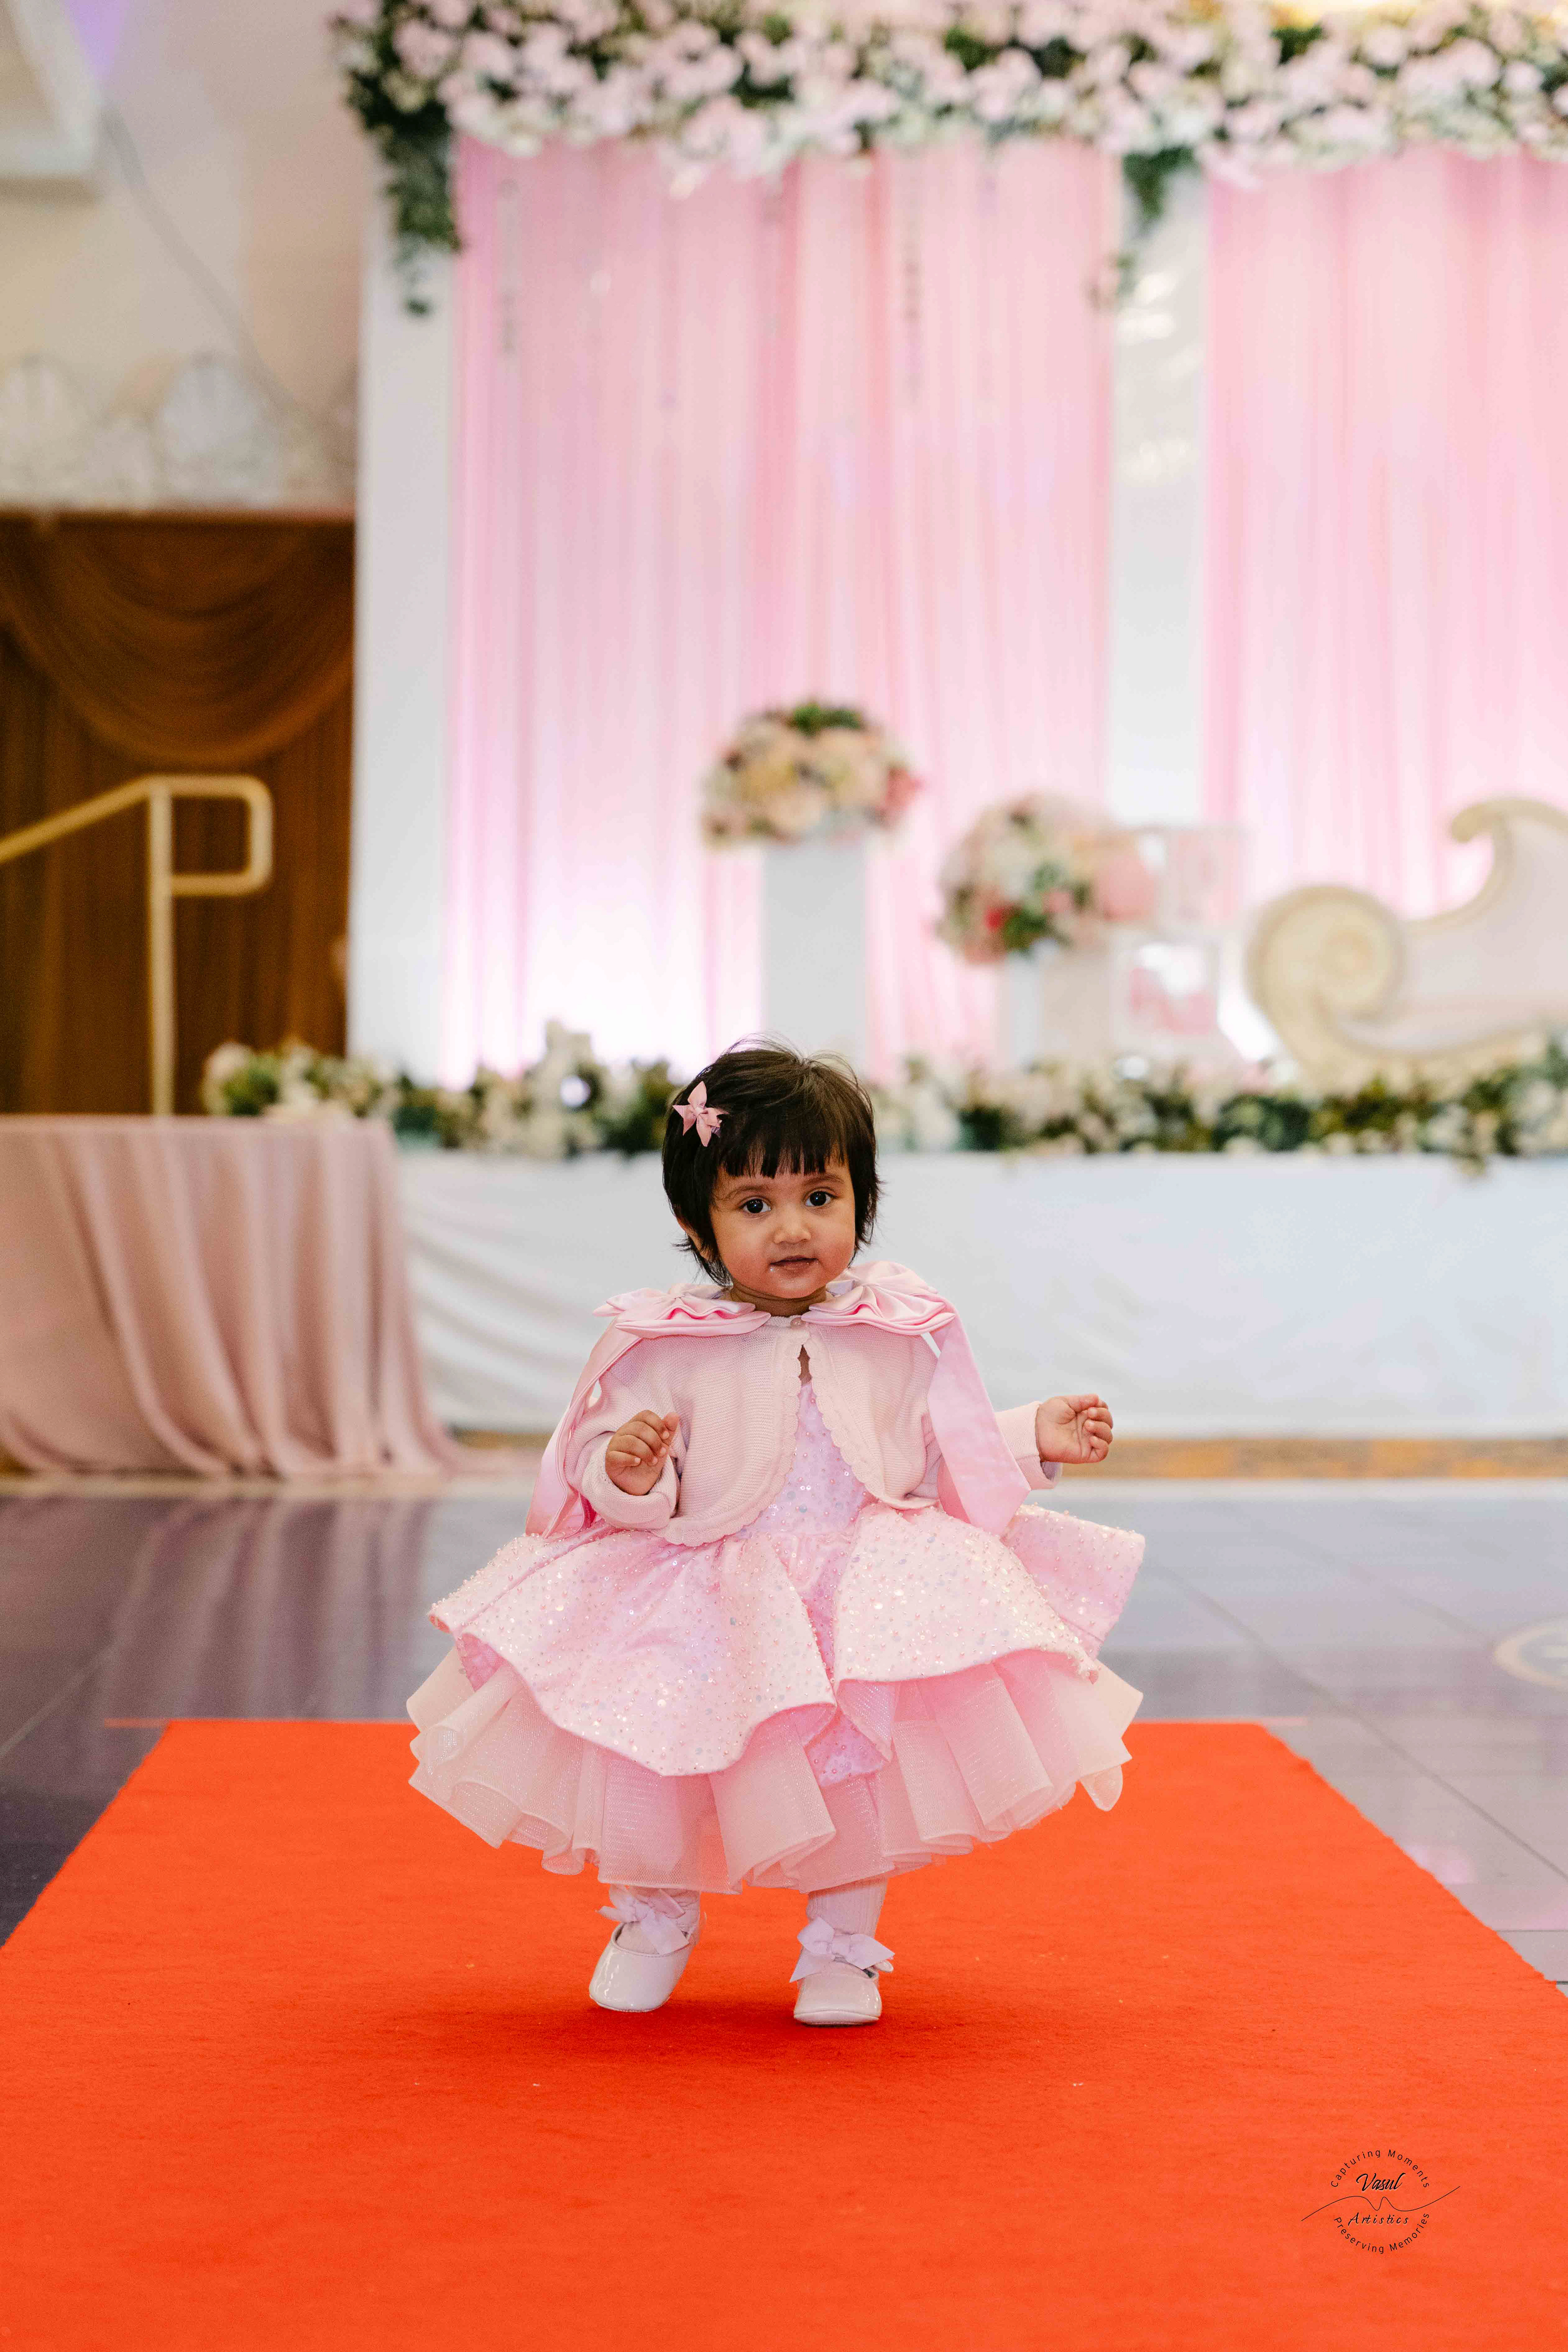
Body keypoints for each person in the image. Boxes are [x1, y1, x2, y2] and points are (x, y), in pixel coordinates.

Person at [407, 1042, 1145, 2027]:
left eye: (820, 1197)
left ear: (861, 1201)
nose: (793, 1228)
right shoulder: (663, 1344)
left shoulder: (891, 1331)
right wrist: (630, 1469)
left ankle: (843, 1947)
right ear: (697, 1224)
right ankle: (653, 1917)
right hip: (703, 1586)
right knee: (656, 1752)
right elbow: (600, 1460)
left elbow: (936, 1446)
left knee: (859, 1774)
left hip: (856, 1585)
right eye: (754, 1204)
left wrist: (1029, 1436)